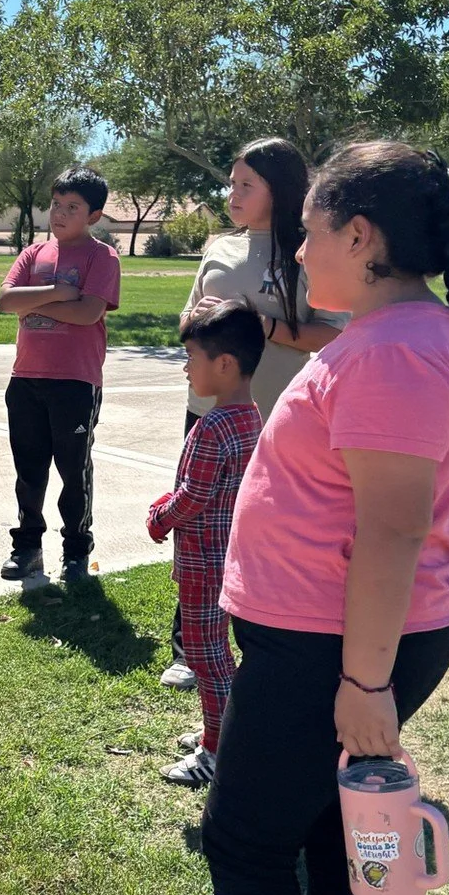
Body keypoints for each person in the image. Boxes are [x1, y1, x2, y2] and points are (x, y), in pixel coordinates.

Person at [146, 142, 449, 895]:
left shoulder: (392, 350)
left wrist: (361, 682)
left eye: (308, 230)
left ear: (361, 237)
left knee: (243, 843)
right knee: (321, 835)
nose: (296, 249)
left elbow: (390, 529)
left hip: (332, 649)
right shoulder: (397, 332)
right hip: (332, 642)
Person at [160, 138, 342, 691]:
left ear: (278, 191)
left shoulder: (308, 252)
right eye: (232, 183)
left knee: (259, 530)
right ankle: (189, 646)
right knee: (197, 527)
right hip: (206, 413)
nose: (232, 194)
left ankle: (255, 641)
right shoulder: (219, 246)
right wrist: (200, 325)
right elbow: (188, 320)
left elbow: (328, 333)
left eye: (246, 185)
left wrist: (260, 326)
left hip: (274, 422)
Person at [146, 300, 263, 788]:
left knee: (204, 655)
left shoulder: (213, 426)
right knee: (217, 653)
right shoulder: (252, 416)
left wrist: (160, 517)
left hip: (202, 562)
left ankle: (218, 749)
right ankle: (223, 729)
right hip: (230, 561)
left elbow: (194, 496)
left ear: (224, 364)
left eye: (191, 358)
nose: (186, 369)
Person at [0, 168, 121, 584]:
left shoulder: (101, 257)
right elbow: (5, 300)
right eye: (56, 204)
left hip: (75, 382)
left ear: (95, 215)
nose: (60, 214)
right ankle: (27, 547)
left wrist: (33, 304)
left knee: (73, 471)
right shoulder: (33, 254)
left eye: (73, 207)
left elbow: (88, 313)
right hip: (26, 379)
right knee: (29, 471)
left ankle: (75, 551)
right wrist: (57, 293)